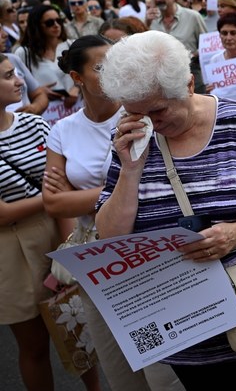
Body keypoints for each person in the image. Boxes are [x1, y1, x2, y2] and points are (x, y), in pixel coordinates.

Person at [94, 31, 236, 389]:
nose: (148, 124)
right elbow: (110, 235)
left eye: (157, 110)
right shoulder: (129, 139)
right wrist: (130, 171)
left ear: (189, 84)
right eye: (134, 112)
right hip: (182, 328)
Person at [43, 35, 184, 391]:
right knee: (118, 366)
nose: (113, 71)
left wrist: (87, 195)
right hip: (96, 258)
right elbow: (54, 204)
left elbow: (156, 184)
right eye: (101, 65)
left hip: (145, 251)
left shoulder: (144, 114)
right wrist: (121, 189)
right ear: (77, 77)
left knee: (162, 366)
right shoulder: (63, 130)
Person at [0, 52, 65, 391]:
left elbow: (64, 178)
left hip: (57, 231)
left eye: (15, 73)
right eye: (8, 76)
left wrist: (57, 199)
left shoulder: (35, 123)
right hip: (10, 250)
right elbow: (2, 214)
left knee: (80, 330)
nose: (20, 81)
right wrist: (51, 198)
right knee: (35, 344)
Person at [147, 0, 208, 94]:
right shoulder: (150, 20)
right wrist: (146, 23)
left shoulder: (192, 17)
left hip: (192, 76)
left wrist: (191, 55)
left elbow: (208, 48)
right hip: (162, 82)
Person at [15, 4, 80, 113]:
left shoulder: (71, 45)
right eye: (49, 23)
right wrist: (38, 92)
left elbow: (87, 73)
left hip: (76, 108)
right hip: (46, 114)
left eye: (58, 21)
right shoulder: (24, 53)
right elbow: (17, 85)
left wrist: (77, 88)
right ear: (37, 26)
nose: (56, 25)